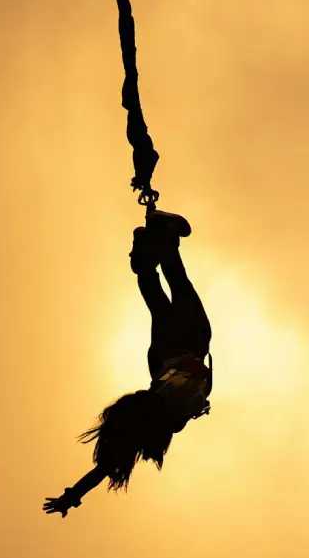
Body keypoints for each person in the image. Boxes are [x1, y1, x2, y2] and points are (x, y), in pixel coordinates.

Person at [42, 209, 213, 518]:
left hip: (188, 350)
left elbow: (104, 470)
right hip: (160, 360)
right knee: (159, 304)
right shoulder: (140, 426)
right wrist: (71, 496)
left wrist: (72, 497)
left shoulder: (168, 419)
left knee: (178, 287)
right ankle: (146, 260)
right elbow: (102, 469)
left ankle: (166, 237)